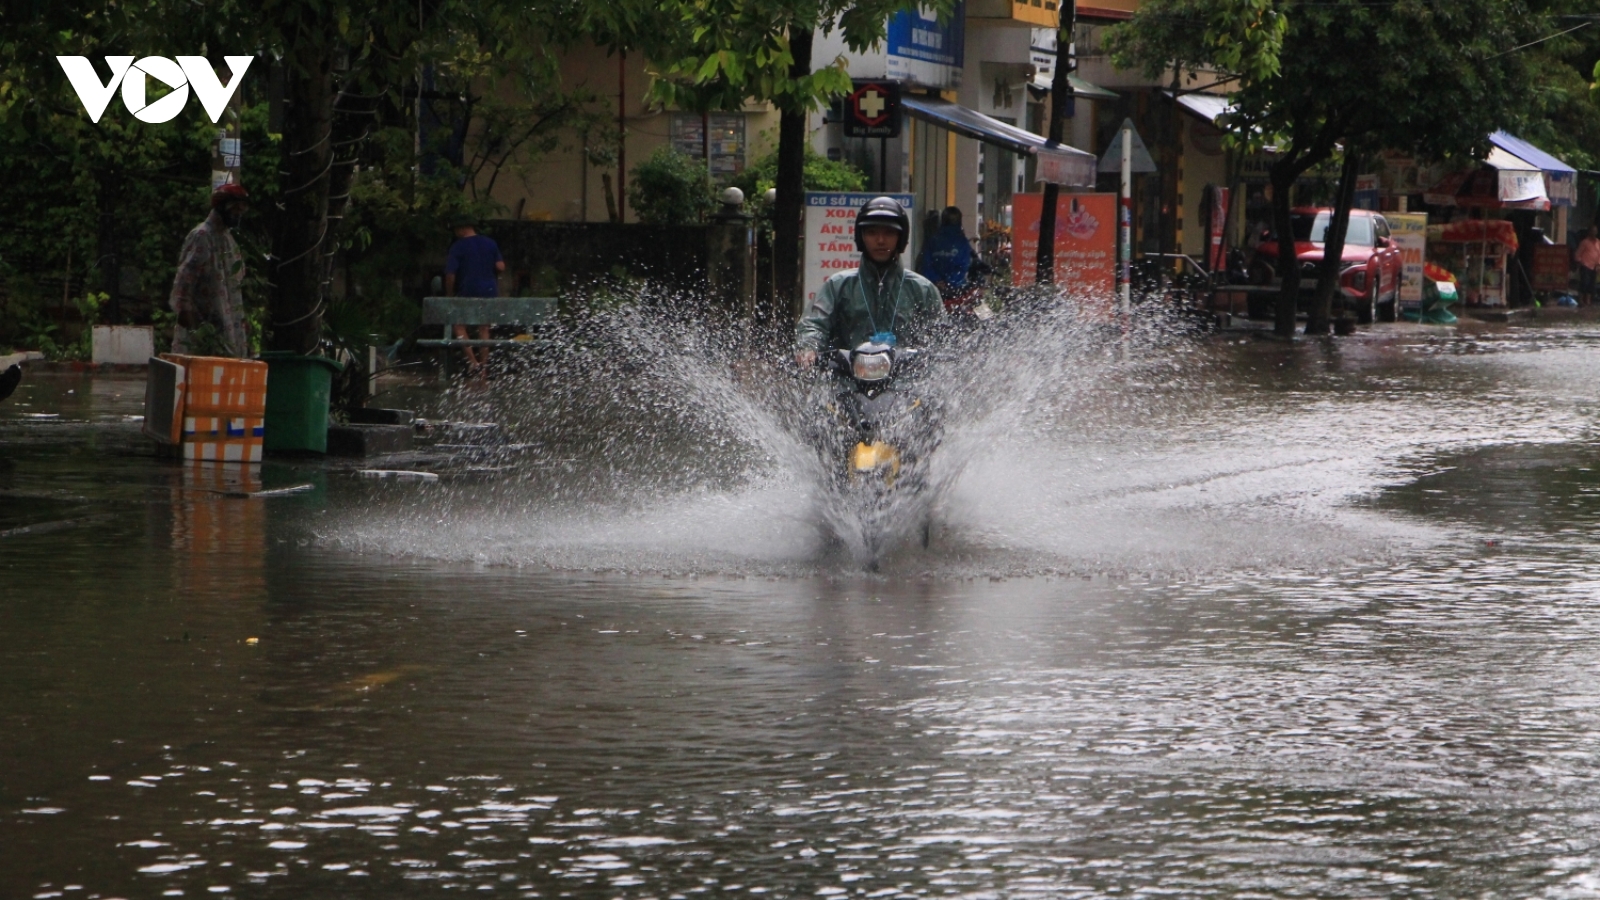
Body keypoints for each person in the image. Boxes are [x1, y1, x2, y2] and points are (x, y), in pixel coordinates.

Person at [795, 197, 944, 368]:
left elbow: (941, 336)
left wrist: (932, 359)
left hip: (907, 379)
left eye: (889, 233)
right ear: (861, 237)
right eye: (872, 233)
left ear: (900, 238)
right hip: (847, 378)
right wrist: (809, 348)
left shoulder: (922, 289)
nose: (880, 240)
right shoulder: (838, 285)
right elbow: (814, 323)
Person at [169, 183, 250, 357]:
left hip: (229, 324)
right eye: (236, 209)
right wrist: (187, 315)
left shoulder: (228, 239)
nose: (239, 214)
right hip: (204, 324)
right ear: (223, 207)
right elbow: (185, 281)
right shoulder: (202, 236)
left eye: (242, 210)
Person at [444, 215, 505, 372]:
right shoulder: (490, 243)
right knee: (484, 328)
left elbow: (450, 275)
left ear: (462, 228)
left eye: (456, 229)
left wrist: (449, 294)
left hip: (468, 289)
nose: (455, 232)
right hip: (489, 290)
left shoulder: (458, 247)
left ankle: (473, 362)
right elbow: (501, 266)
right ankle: (484, 366)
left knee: (459, 326)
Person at [918, 206, 974, 305]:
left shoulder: (933, 240)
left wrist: (937, 280)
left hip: (934, 288)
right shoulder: (962, 242)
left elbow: (926, 264)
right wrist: (950, 282)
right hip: (955, 290)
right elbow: (963, 267)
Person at [1576, 225, 1600, 306]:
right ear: (1589, 232)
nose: (1594, 233)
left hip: (1594, 267)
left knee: (1591, 284)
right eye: (1592, 231)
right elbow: (1577, 254)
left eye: (1595, 231)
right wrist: (1581, 262)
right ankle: (1581, 300)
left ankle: (1588, 301)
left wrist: (1598, 264)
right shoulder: (1585, 242)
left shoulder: (1598, 242)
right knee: (1584, 283)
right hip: (1585, 265)